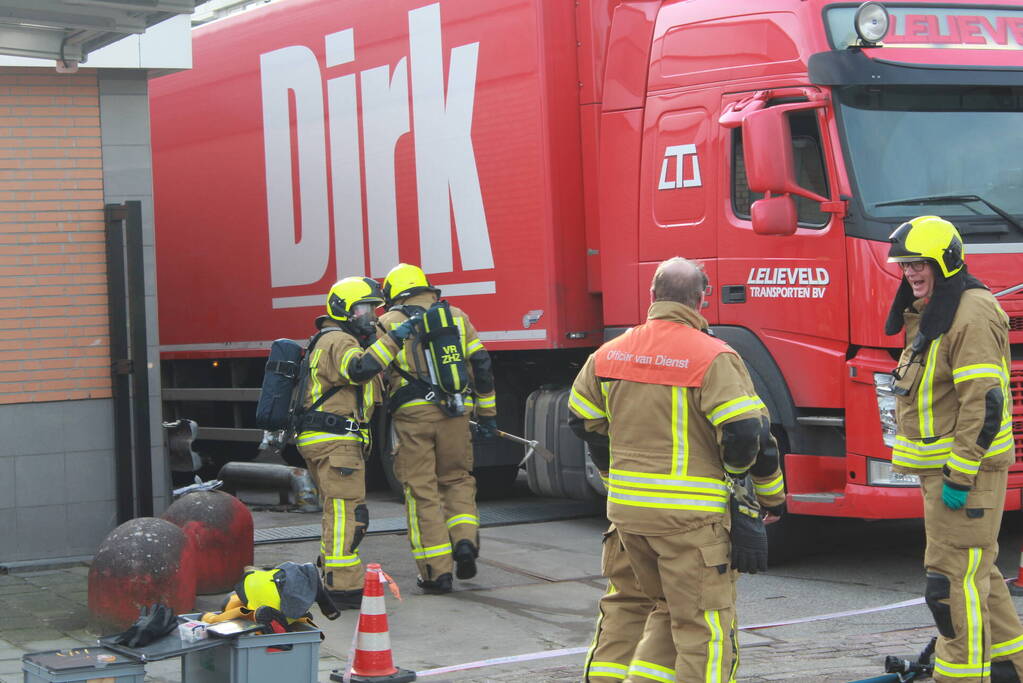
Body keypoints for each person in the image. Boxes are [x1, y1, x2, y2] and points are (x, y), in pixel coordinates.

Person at [569, 256, 786, 681]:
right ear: (701, 300)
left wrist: (618, 478)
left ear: (652, 296)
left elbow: (582, 420)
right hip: (690, 522)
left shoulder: (608, 354)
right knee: (702, 625)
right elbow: (748, 432)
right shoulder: (714, 357)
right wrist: (764, 494)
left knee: (627, 606)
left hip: (627, 518)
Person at [886, 216, 1023, 683]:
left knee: (948, 585)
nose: (911, 273)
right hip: (946, 474)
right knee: (977, 573)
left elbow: (984, 402)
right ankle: (1009, 668)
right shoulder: (938, 307)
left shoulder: (972, 312)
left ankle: (961, 677)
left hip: (963, 476)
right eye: (905, 265)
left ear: (944, 261)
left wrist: (960, 477)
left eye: (919, 264)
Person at [296, 276, 416, 608]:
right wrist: (395, 338)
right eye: (364, 308)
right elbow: (359, 369)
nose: (372, 316)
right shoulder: (338, 340)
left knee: (341, 512)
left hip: (329, 438)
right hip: (335, 441)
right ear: (345, 309)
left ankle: (333, 576)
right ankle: (343, 588)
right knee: (346, 513)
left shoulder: (331, 338)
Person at [377, 263, 497, 594]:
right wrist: (487, 414)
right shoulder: (456, 316)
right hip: (456, 412)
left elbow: (374, 372)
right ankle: (464, 542)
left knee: (422, 491)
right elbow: (481, 364)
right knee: (458, 480)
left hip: (413, 416)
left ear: (393, 295)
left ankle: (436, 572)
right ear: (428, 287)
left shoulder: (387, 323)